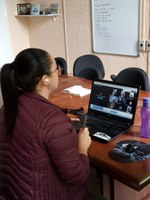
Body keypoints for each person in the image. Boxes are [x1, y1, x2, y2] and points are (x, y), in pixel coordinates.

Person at [0, 48, 92, 200]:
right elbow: (77, 176)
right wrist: (82, 148)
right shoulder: (52, 120)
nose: (59, 72)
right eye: (57, 69)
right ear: (45, 79)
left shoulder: (9, 106)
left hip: (14, 192)